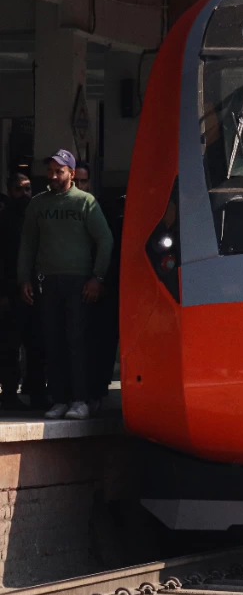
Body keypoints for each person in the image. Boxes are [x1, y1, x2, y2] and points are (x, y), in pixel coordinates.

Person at [17, 150, 113, 420]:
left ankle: (80, 400)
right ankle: (58, 399)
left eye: (59, 171)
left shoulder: (86, 202)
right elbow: (27, 244)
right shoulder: (37, 204)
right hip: (46, 280)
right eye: (51, 171)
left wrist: (98, 277)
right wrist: (23, 277)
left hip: (79, 281)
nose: (54, 176)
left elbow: (105, 239)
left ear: (71, 173)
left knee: (77, 340)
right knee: (53, 341)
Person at [74, 163, 123, 410]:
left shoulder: (100, 209)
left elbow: (111, 247)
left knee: (101, 340)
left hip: (101, 287)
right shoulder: (61, 208)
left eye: (83, 182)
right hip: (72, 284)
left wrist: (101, 279)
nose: (79, 187)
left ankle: (97, 391)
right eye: (76, 181)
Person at [0, 172, 38, 410]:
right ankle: (10, 393)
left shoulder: (36, 218)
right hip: (10, 294)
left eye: (27, 189)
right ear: (10, 191)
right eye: (18, 189)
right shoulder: (4, 221)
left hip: (36, 292)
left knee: (36, 345)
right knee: (9, 346)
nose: (24, 194)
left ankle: (36, 391)